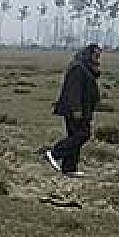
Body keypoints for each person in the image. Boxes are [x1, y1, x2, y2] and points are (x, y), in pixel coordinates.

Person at [44, 44, 102, 178]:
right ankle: (54, 153)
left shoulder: (86, 68)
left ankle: (69, 168)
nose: (98, 59)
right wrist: (76, 109)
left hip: (83, 110)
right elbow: (73, 90)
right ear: (88, 54)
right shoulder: (78, 68)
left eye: (99, 56)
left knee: (75, 136)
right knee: (82, 134)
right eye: (96, 55)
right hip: (75, 111)